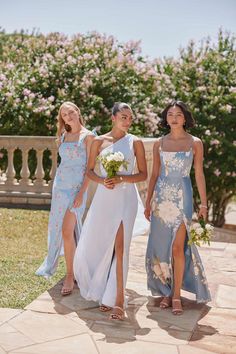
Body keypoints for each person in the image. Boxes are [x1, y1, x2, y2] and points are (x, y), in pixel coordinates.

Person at [73, 102, 147, 320]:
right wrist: (104, 180)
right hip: (105, 199)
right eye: (123, 116)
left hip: (126, 199)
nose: (127, 121)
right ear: (113, 118)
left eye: (130, 118)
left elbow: (143, 174)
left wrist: (122, 178)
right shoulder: (98, 141)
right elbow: (90, 171)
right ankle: (104, 292)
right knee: (102, 245)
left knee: (121, 247)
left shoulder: (136, 142)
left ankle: (118, 301)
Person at [144, 100, 211, 315]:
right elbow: (154, 174)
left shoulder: (195, 143)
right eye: (170, 114)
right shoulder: (159, 143)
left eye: (178, 114)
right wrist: (148, 201)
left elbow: (199, 174)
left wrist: (204, 203)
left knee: (177, 247)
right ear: (166, 118)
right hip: (161, 199)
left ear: (185, 118)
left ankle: (175, 295)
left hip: (183, 196)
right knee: (161, 247)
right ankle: (165, 289)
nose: (174, 117)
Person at [36, 102, 95, 296]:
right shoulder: (63, 136)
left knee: (67, 231)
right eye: (64, 115)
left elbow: (90, 169)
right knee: (62, 231)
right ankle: (75, 270)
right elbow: (63, 164)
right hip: (60, 188)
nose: (68, 117)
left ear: (78, 112)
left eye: (71, 112)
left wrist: (80, 194)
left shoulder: (89, 137)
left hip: (76, 190)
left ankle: (70, 274)